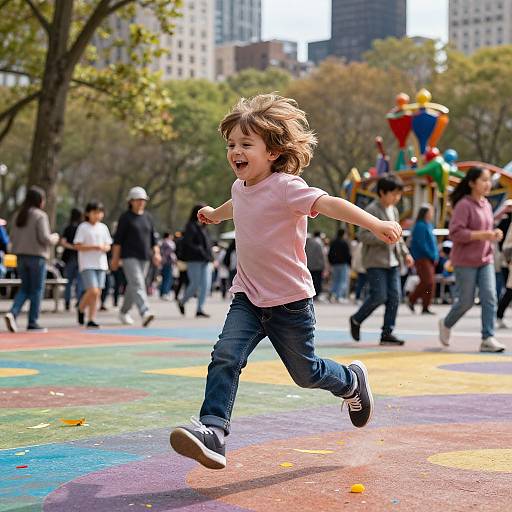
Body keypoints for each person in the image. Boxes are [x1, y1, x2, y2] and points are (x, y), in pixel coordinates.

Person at [170, 94, 402, 470]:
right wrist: (215, 213)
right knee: (226, 355)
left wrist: (376, 224)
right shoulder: (237, 187)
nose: (236, 151)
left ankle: (350, 381)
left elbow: (330, 204)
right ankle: (213, 430)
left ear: (274, 152)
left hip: (290, 303)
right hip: (247, 297)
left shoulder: (287, 187)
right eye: (231, 144)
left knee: (306, 373)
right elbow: (237, 205)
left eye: (246, 144)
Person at [438, 167, 506, 352]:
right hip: (464, 261)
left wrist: (494, 234)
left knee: (490, 296)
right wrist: (483, 234)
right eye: (483, 180)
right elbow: (455, 233)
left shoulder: (487, 205)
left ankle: (487, 337)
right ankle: (446, 323)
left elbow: (487, 231)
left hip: (485, 259)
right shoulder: (463, 205)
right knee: (466, 301)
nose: (488, 184)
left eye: (489, 180)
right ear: (471, 183)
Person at [349, 174, 414, 346]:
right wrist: (383, 237)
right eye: (394, 194)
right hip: (375, 262)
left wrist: (405, 254)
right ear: (382, 192)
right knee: (379, 295)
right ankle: (356, 319)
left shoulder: (394, 210)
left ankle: (387, 332)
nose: (397, 197)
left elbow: (398, 237)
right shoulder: (372, 210)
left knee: (395, 297)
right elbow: (362, 235)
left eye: (399, 194)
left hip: (392, 262)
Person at [4, 186, 59, 333]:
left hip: (20, 256)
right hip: (37, 257)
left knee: (25, 288)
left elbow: (12, 238)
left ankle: (13, 312)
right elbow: (44, 238)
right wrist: (54, 238)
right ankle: (32, 321)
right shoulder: (40, 215)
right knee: (36, 290)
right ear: (40, 200)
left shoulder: (18, 215)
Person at [111, 187, 160, 327]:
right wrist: (115, 258)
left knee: (134, 286)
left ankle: (123, 312)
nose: (141, 203)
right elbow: (118, 240)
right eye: (138, 200)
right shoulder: (125, 218)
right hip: (128, 257)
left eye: (143, 200)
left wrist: (156, 253)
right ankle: (145, 312)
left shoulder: (148, 217)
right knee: (138, 283)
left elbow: (153, 239)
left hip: (144, 257)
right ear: (131, 201)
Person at [74, 202, 112, 328]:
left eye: (99, 212)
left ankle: (91, 318)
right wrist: (93, 247)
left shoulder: (103, 228)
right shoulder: (83, 227)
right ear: (88, 213)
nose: (97, 215)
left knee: (97, 292)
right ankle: (81, 308)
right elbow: (77, 245)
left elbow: (108, 245)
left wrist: (104, 248)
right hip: (87, 264)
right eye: (94, 212)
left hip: (101, 264)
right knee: (93, 290)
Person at [177, 204, 213, 318]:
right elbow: (188, 242)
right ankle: (182, 301)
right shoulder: (190, 226)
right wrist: (200, 250)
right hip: (194, 260)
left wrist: (210, 255)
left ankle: (200, 309)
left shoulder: (204, 227)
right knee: (194, 284)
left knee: (206, 285)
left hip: (206, 260)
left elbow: (208, 243)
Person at [407, 204, 439, 314]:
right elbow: (422, 244)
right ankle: (412, 298)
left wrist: (435, 255)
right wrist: (431, 254)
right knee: (427, 281)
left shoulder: (428, 225)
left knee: (430, 282)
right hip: (422, 257)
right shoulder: (420, 226)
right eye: (430, 211)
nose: (432, 214)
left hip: (429, 257)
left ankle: (425, 306)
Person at [60, 208, 83, 310]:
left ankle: (67, 302)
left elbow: (63, 242)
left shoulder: (68, 227)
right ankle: (79, 301)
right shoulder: (82, 227)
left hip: (69, 257)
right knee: (79, 280)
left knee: (68, 282)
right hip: (80, 257)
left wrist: (71, 247)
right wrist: (77, 248)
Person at [328, 228, 351, 302]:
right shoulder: (344, 243)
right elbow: (347, 254)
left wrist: (331, 262)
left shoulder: (333, 242)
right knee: (342, 281)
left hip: (334, 264)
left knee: (335, 280)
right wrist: (349, 263)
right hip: (343, 264)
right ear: (343, 234)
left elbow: (330, 253)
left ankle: (332, 294)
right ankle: (339, 296)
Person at [305, 231, 325, 300]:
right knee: (317, 281)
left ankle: (312, 294)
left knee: (311, 280)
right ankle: (317, 294)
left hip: (309, 265)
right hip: (317, 265)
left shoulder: (306, 244)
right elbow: (321, 255)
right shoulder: (318, 243)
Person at [159, 232, 176, 300]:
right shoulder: (169, 243)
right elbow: (169, 252)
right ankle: (165, 293)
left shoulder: (161, 242)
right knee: (168, 278)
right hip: (168, 262)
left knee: (164, 278)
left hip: (163, 262)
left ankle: (162, 292)